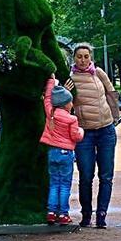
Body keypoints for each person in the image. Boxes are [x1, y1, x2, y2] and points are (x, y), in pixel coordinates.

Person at [66, 43, 120, 228]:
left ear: (91, 57)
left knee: (106, 176)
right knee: (86, 175)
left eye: (86, 56)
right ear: (74, 58)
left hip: (106, 130)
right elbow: (65, 105)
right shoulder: (70, 78)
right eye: (79, 56)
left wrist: (114, 118)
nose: (83, 60)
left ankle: (102, 214)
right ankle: (86, 214)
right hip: (85, 133)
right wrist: (66, 92)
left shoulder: (98, 73)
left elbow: (111, 94)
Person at [39, 77, 83, 225]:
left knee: (54, 183)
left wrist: (51, 81)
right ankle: (63, 214)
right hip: (66, 154)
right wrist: (82, 132)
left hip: (52, 152)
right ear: (65, 104)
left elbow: (47, 98)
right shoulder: (72, 119)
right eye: (70, 101)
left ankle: (51, 212)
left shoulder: (50, 113)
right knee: (64, 185)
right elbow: (75, 136)